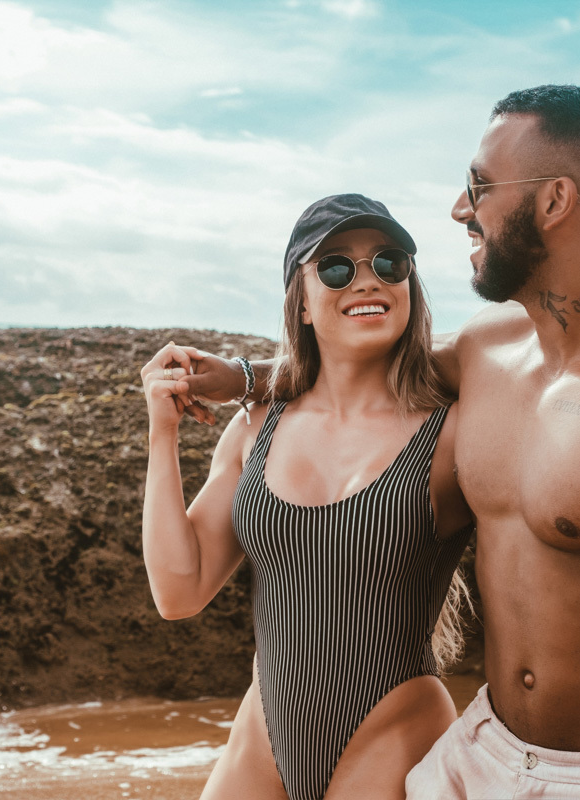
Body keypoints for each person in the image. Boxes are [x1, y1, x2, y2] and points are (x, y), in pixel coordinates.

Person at [172, 85, 580, 798]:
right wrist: (239, 377)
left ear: (554, 200)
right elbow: (360, 370)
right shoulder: (486, 353)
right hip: (478, 755)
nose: (458, 209)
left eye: (478, 187)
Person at [141, 193, 474, 800]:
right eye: (337, 266)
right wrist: (162, 433)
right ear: (301, 302)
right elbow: (178, 591)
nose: (366, 279)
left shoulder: (454, 432)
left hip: (394, 731)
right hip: (262, 735)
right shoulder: (255, 427)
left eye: (389, 262)